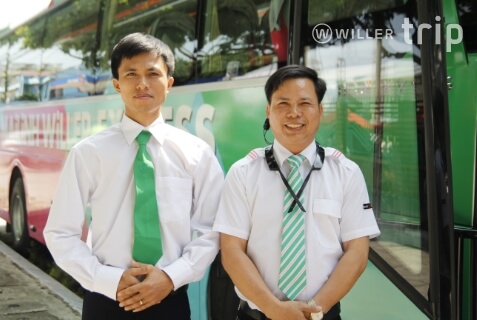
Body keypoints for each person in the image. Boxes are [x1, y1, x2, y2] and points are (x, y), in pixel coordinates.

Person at [44, 33, 224, 320]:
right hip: (105, 300)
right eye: (131, 74)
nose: (142, 83)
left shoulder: (197, 153)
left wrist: (170, 277)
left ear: (170, 83)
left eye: (153, 73)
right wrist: (105, 279)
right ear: (117, 84)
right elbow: (59, 233)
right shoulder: (89, 153)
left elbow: (212, 230)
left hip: (170, 300)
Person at [213, 65, 380, 320]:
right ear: (268, 111)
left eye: (304, 103)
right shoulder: (243, 173)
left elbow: (357, 253)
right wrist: (274, 308)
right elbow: (232, 251)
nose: (294, 113)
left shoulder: (346, 173)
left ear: (320, 111)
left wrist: (310, 312)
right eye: (283, 104)